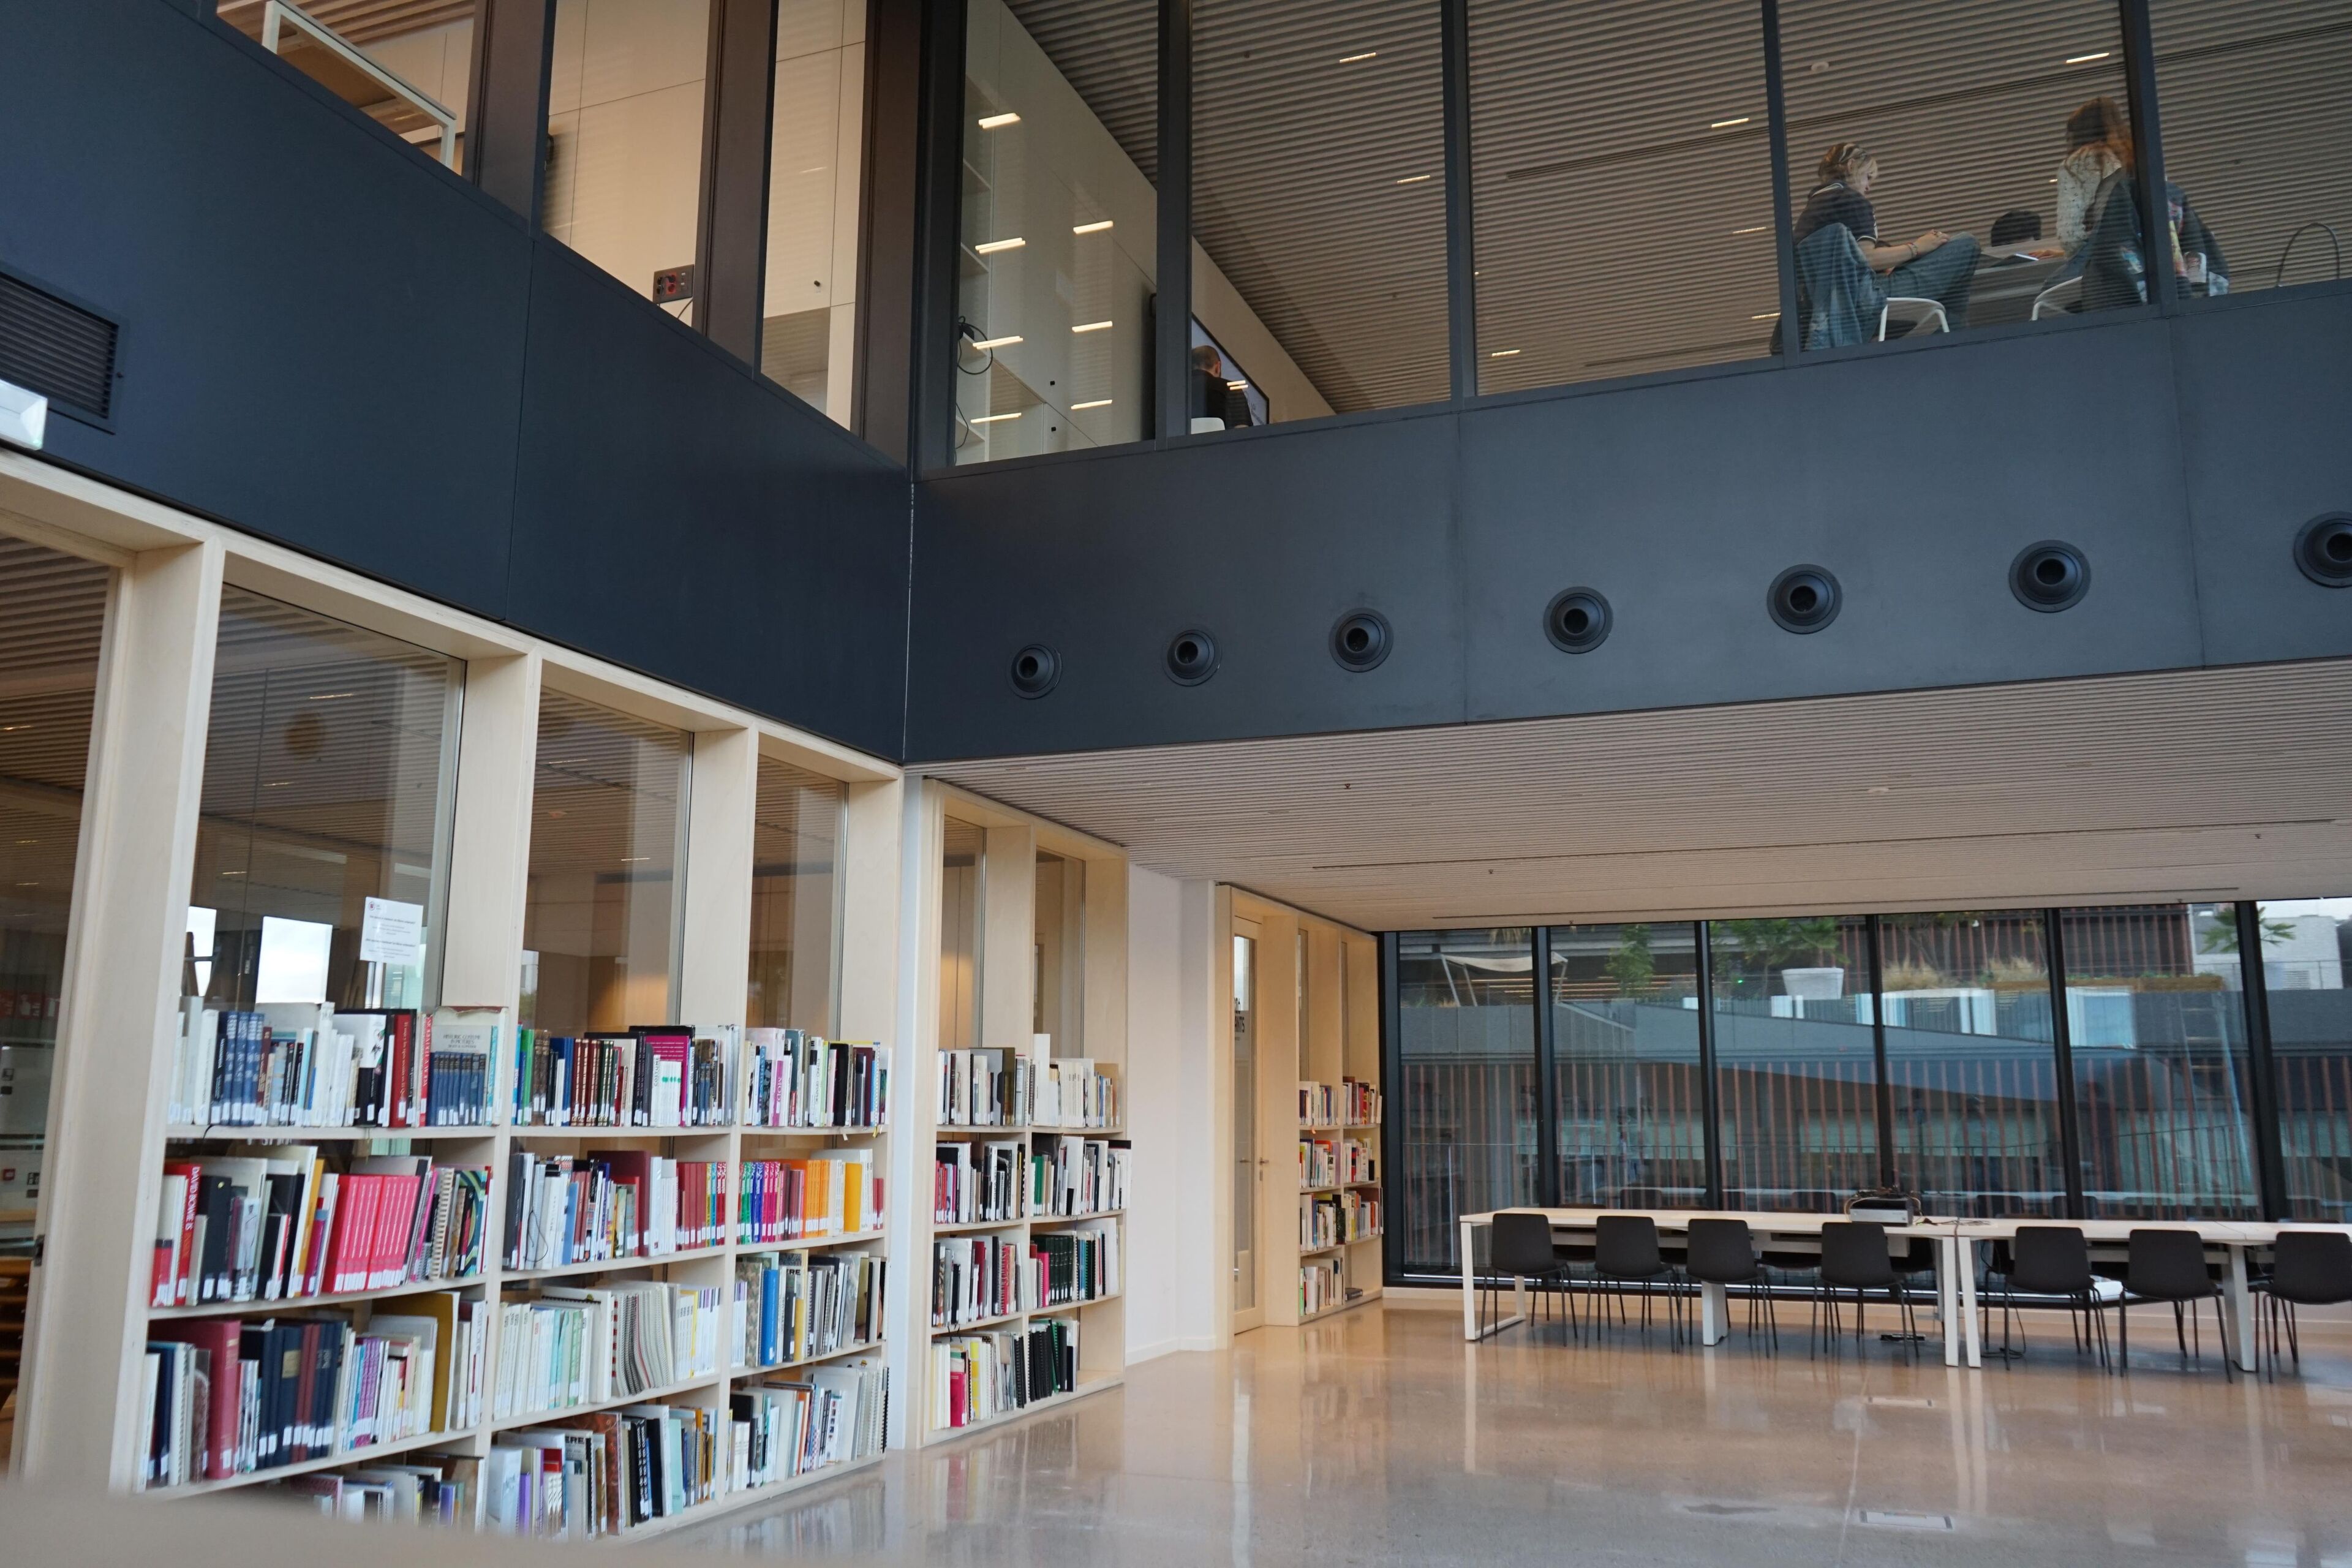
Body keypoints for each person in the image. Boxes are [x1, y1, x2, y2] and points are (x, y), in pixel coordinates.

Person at [1793, 142, 1979, 338]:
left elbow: (1846, 260)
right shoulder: (1852, 201)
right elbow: (1866, 259)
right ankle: (1956, 335)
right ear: (1851, 167)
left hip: (1833, 306)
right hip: (1865, 300)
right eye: (1868, 178)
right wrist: (1917, 247)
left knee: (1946, 307)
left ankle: (1949, 328)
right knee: (1966, 244)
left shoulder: (1811, 211)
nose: (1868, 188)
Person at [2056, 97, 2131, 256]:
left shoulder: (2075, 165)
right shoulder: (2139, 157)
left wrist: (2073, 256)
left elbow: (2070, 236)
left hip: (2109, 260)